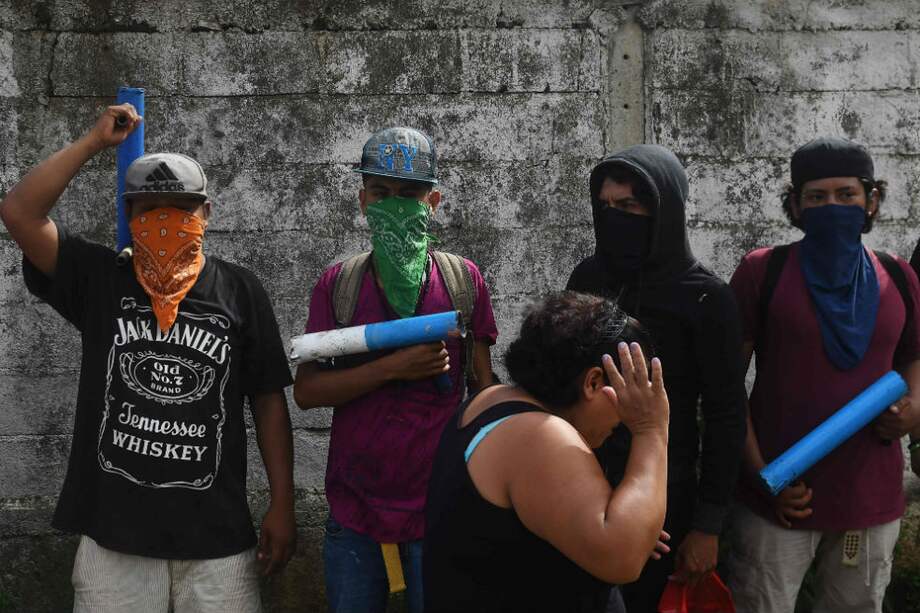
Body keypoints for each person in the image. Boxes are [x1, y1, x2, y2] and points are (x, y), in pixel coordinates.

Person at [0, 104, 296, 612]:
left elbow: (268, 401)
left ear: (206, 214)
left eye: (181, 209)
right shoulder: (101, 280)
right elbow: (20, 214)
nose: (166, 221)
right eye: (149, 209)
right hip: (114, 537)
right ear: (130, 217)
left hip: (217, 539)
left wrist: (283, 503)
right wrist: (93, 143)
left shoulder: (240, 290)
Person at [293, 126, 498, 613]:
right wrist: (394, 367)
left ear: (434, 201)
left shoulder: (462, 282)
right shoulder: (338, 284)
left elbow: (484, 391)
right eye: (382, 193)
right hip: (355, 513)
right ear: (363, 200)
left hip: (439, 513)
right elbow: (307, 391)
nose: (395, 205)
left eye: (409, 195)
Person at [726, 136, 920, 613]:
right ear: (795, 204)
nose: (832, 206)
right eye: (817, 196)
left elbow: (914, 359)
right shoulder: (762, 271)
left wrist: (913, 408)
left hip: (868, 503)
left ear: (871, 200)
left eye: (846, 194)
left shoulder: (898, 276)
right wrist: (761, 477)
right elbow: (726, 385)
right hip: (777, 499)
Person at [566, 144, 747, 611]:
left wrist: (707, 527)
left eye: (628, 206)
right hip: (582, 491)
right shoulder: (588, 277)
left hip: (668, 502)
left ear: (663, 211)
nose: (614, 217)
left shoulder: (707, 299)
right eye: (604, 207)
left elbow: (727, 415)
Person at [423, 291, 669, 613]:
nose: (625, 415)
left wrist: (634, 520)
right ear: (593, 383)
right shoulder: (539, 435)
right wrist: (651, 428)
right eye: (626, 391)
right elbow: (622, 559)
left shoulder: (492, 399)